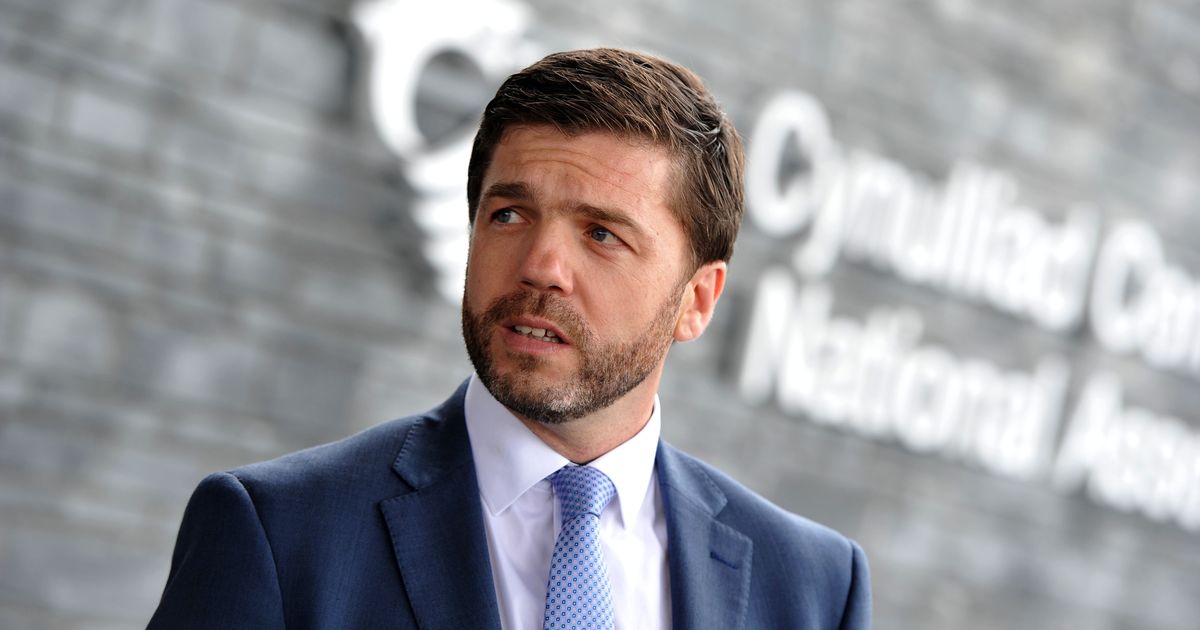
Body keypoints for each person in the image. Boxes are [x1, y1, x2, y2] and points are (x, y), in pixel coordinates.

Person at [148, 48, 870, 630]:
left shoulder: (814, 589)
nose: (541, 266)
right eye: (509, 215)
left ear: (697, 301)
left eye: (601, 234)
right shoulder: (279, 533)